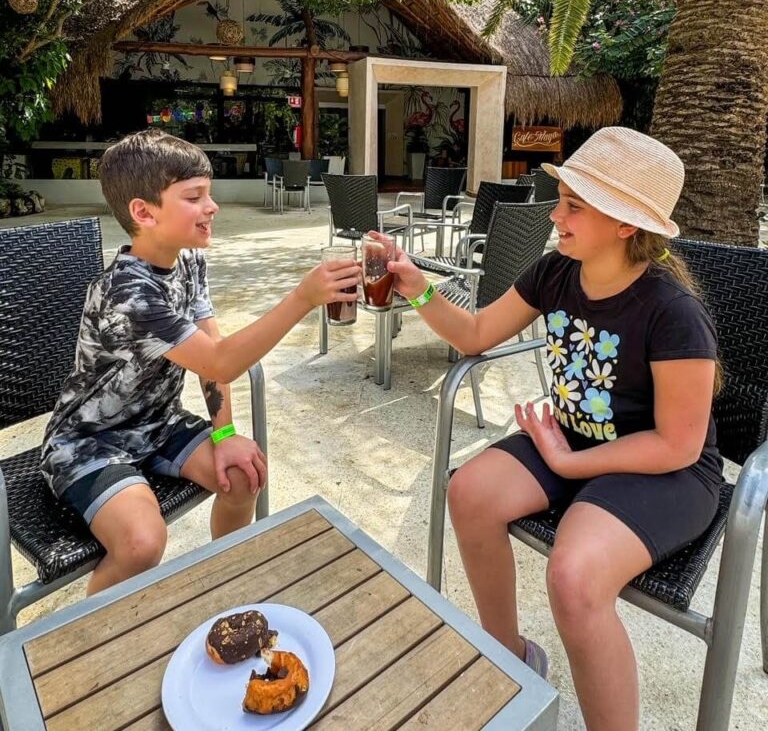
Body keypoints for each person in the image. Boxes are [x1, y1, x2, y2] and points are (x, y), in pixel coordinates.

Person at [384, 126, 722, 731]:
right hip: (570, 439)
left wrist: (567, 463)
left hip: (664, 470)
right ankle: (511, 658)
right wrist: (417, 286)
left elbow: (679, 444)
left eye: (573, 206)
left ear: (625, 226)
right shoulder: (555, 273)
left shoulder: (674, 313)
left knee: (573, 576)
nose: (555, 216)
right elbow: (477, 334)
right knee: (471, 492)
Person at [40, 129, 359, 596]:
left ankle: (223, 590)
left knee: (242, 475)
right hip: (89, 440)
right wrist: (303, 297)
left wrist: (225, 433)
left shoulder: (188, 260)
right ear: (143, 212)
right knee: (143, 543)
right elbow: (221, 362)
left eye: (209, 194)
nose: (212, 207)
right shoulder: (127, 291)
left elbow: (211, 345)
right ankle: (86, 641)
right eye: (195, 197)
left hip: (159, 424)